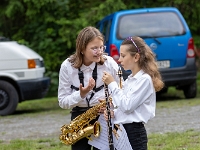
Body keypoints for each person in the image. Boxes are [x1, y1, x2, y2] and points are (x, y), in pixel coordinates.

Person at [58, 26, 120, 150]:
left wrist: (110, 106)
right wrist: (81, 94)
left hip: (103, 115)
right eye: (94, 48)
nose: (100, 51)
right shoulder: (67, 66)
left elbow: (121, 92)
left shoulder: (109, 63)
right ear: (82, 49)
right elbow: (62, 102)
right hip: (79, 118)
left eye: (101, 47)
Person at [102, 36, 164, 150]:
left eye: (123, 55)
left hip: (134, 134)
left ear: (136, 57)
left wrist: (112, 84)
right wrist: (114, 113)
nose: (119, 60)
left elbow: (127, 106)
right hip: (123, 131)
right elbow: (125, 107)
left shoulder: (144, 80)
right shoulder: (130, 79)